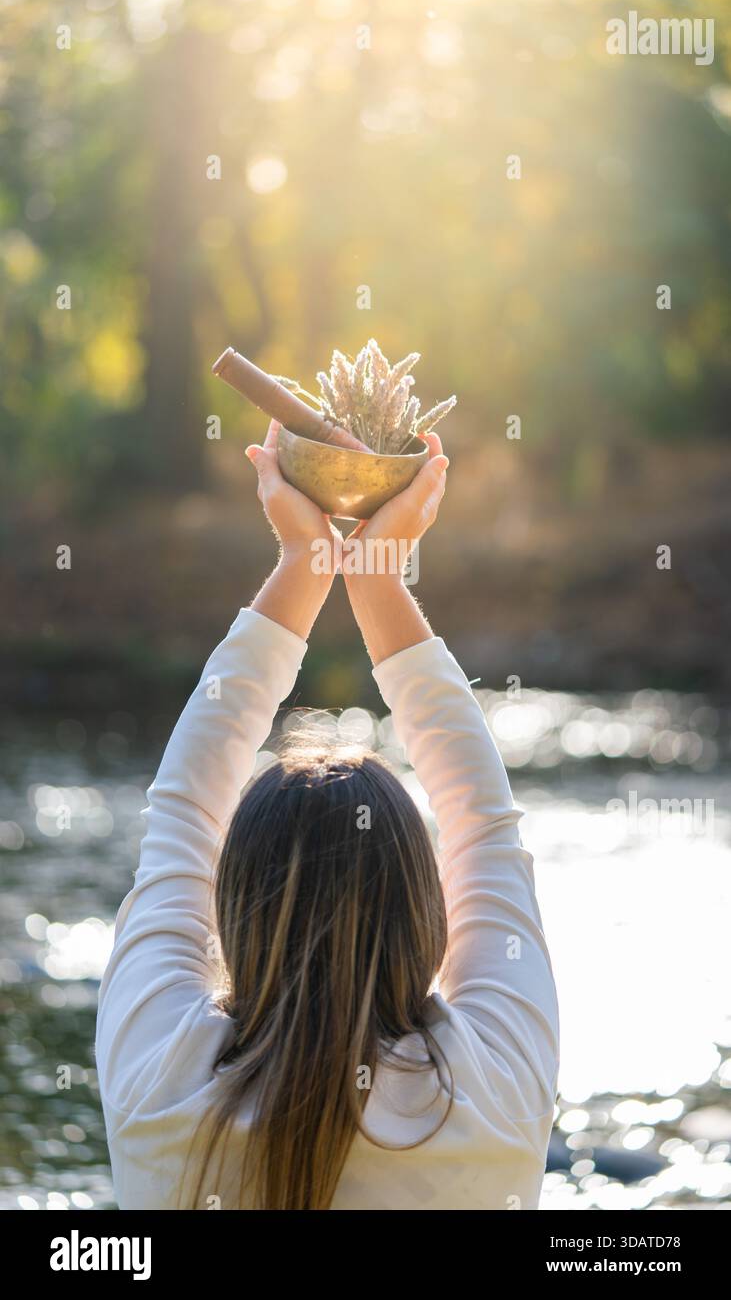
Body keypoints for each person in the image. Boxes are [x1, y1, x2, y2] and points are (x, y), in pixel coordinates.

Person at [96, 421, 559, 1210]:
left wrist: (302, 565)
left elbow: (180, 815)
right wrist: (376, 577)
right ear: (425, 912)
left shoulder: (158, 1077)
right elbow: (484, 828)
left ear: (233, 906)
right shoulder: (496, 1089)